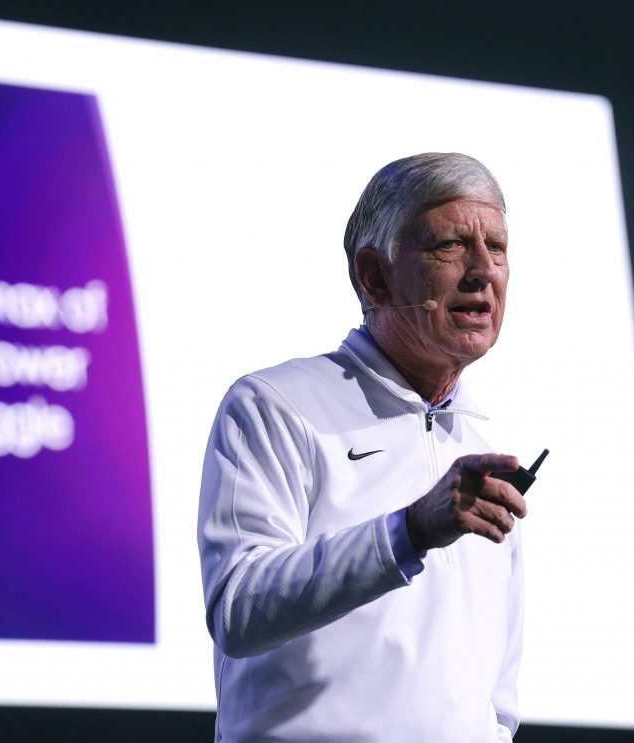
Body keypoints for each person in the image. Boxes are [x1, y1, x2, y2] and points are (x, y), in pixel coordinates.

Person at [197, 153, 528, 742]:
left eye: (497, 248)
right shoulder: (276, 405)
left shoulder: (482, 455)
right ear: (375, 276)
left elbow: (496, 700)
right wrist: (409, 532)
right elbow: (239, 609)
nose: (483, 271)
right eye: (451, 245)